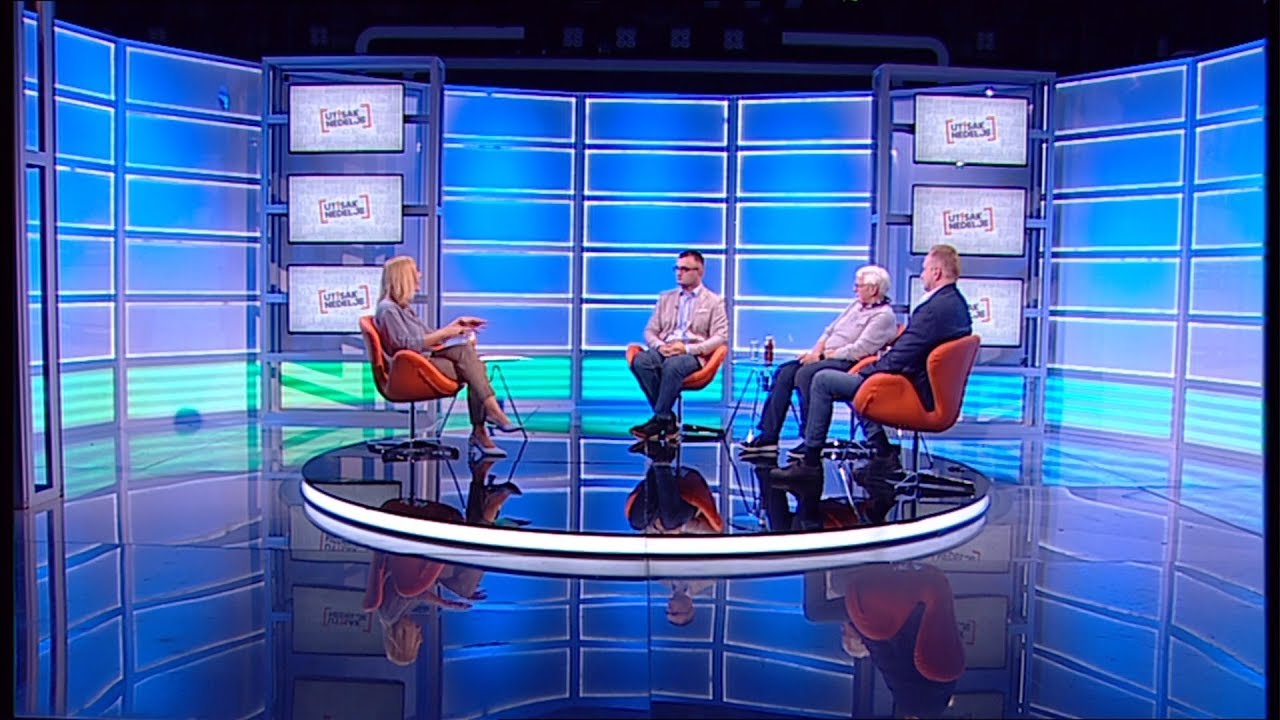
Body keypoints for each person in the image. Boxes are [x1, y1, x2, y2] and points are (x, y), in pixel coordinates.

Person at [772, 244, 972, 483]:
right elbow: (907, 350)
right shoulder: (956, 304)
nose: (922, 275)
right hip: (920, 385)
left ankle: (810, 464)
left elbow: (900, 356)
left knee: (823, 380)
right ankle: (882, 453)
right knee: (828, 379)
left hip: (913, 390)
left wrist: (868, 371)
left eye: (925, 269)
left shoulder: (933, 310)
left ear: (937, 272)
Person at [737, 264, 898, 458]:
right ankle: (768, 436)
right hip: (826, 356)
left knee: (806, 374)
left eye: (858, 285)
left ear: (873, 289)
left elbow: (859, 350)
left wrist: (821, 357)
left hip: (850, 363)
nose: (854, 289)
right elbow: (829, 331)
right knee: (785, 372)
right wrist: (816, 351)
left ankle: (811, 439)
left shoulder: (883, 316)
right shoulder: (856, 306)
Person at [373, 256, 521, 457]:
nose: (420, 275)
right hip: (410, 368)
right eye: (415, 272)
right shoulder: (388, 309)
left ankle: (487, 421)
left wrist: (456, 326)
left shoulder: (402, 308)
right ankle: (486, 422)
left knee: (468, 357)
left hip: (422, 361)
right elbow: (406, 345)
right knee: (474, 368)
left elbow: (428, 337)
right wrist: (448, 333)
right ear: (403, 277)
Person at [839, 563, 965, 718]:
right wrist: (855, 629)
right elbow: (884, 655)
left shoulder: (948, 674)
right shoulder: (909, 700)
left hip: (920, 585)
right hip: (875, 601)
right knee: (818, 611)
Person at [628, 250, 729, 440]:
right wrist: (660, 346)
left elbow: (720, 337)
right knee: (641, 360)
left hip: (692, 354)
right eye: (677, 268)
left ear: (699, 271)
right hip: (665, 348)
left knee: (673, 365)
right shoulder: (666, 298)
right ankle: (666, 418)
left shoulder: (714, 301)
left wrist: (687, 349)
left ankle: (660, 419)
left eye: (684, 269)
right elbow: (650, 331)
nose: (679, 273)